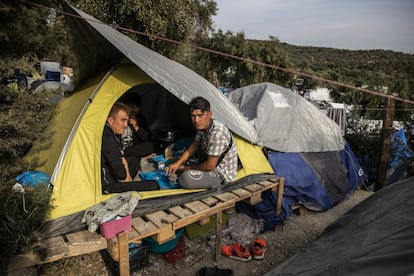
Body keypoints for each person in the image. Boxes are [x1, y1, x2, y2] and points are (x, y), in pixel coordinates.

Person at [164, 96, 238, 189]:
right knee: (171, 163)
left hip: (220, 174)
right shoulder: (202, 128)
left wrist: (184, 168)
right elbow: (194, 146)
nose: (196, 120)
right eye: (193, 116)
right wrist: (178, 163)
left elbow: (209, 166)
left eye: (200, 115)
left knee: (186, 178)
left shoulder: (217, 134)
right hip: (205, 163)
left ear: (210, 114)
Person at [101, 102, 159, 194]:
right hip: (107, 186)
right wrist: (128, 183)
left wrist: (129, 180)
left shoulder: (111, 132)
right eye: (123, 121)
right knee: (153, 185)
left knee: (133, 160)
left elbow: (121, 158)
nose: (125, 125)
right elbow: (120, 174)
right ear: (110, 120)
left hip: (113, 173)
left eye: (127, 121)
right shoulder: (107, 138)